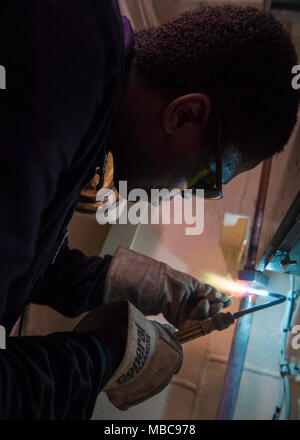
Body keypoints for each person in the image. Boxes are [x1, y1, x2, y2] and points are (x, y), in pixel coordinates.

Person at [0, 1, 298, 420]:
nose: (186, 194)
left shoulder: (82, 67)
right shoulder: (61, 66)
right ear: (186, 115)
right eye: (204, 181)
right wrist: (107, 356)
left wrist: (141, 284)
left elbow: (29, 258)